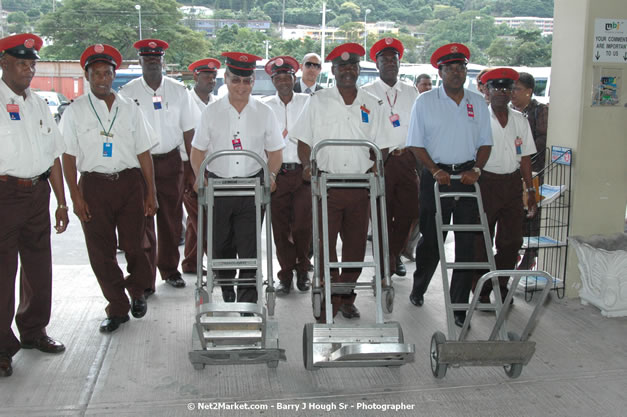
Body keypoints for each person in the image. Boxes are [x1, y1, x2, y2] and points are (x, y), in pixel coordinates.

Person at [60, 44, 158, 333]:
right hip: (93, 186)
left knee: (135, 245)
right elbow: (67, 156)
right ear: (87, 77)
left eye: (107, 73)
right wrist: (75, 197)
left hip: (129, 183)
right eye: (96, 74)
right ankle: (117, 306)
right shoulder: (75, 110)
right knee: (100, 252)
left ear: (114, 75)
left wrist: (150, 191)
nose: (102, 79)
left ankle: (137, 290)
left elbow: (144, 153)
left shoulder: (130, 109)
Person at [291, 43, 391, 322]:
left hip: (360, 187)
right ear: (333, 71)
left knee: (356, 249)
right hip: (327, 185)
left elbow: (382, 145)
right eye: (342, 67)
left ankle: (346, 297)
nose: (348, 71)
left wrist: (375, 168)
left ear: (359, 70)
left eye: (353, 66)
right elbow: (303, 140)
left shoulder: (372, 103)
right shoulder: (318, 101)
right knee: (324, 245)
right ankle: (330, 297)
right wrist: (307, 166)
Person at [406, 43, 492, 328]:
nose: (456, 73)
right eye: (450, 68)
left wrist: (477, 169)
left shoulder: (477, 102)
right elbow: (416, 143)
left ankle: (458, 304)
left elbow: (485, 143)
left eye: (461, 68)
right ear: (440, 72)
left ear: (466, 72)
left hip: (467, 177)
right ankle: (419, 288)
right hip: (436, 177)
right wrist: (434, 169)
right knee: (431, 239)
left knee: (466, 242)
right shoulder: (426, 101)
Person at [190, 52, 284, 304]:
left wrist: (271, 175)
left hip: (251, 188)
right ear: (226, 80)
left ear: (253, 81)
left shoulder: (264, 112)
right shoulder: (211, 112)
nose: (241, 87)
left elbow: (275, 152)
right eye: (236, 81)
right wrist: (202, 178)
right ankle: (226, 282)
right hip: (218, 188)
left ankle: (248, 300)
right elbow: (197, 151)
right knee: (221, 244)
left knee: (249, 247)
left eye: (247, 81)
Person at [0, 33, 69, 377]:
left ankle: (33, 330)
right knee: (2, 273)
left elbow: (53, 155)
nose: (28, 70)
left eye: (31, 64)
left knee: (39, 267)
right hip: (4, 194)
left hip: (37, 192)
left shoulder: (40, 104)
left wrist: (61, 201)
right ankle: (1, 347)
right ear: (4, 63)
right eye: (21, 63)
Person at [119, 39, 198, 294]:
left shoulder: (178, 90)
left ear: (163, 60)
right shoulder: (128, 93)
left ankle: (170, 270)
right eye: (147, 57)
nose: (152, 60)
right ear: (140, 60)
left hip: (171, 161)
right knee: (142, 223)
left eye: (156, 57)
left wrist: (192, 169)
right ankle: (145, 280)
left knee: (171, 221)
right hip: (141, 164)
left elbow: (189, 131)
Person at [474, 68, 537, 304]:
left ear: (512, 92)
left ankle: (500, 285)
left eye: (506, 88)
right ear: (487, 92)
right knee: (482, 241)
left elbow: (526, 157)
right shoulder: (479, 118)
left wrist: (530, 190)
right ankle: (480, 288)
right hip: (486, 183)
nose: (501, 93)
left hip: (511, 185)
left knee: (512, 241)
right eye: (496, 88)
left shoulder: (520, 120)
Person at [363, 37, 419, 278]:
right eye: (384, 60)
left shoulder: (411, 91)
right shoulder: (366, 92)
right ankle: (384, 267)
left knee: (408, 212)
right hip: (379, 161)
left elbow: (418, 126)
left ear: (399, 63)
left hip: (406, 159)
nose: (390, 64)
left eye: (393, 60)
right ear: (376, 65)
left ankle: (393, 254)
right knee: (381, 216)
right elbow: (363, 127)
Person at [262, 55, 312, 295]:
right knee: (280, 229)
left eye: (287, 77)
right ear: (273, 81)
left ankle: (303, 270)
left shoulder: (308, 102)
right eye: (278, 77)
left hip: (302, 174)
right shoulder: (264, 106)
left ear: (294, 78)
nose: (283, 81)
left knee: (303, 226)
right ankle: (285, 275)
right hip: (277, 176)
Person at [180, 58, 221, 276]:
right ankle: (215, 262)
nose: (211, 80)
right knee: (201, 216)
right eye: (206, 76)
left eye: (214, 76)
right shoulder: (185, 101)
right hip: (190, 165)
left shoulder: (216, 103)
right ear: (195, 76)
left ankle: (190, 262)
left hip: (212, 165)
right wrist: (195, 173)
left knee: (198, 217)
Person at [511, 71, 549, 270]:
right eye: (512, 89)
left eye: (517, 89)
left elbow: (541, 142)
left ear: (529, 92)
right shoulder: (508, 111)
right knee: (515, 214)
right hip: (511, 171)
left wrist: (523, 150)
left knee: (531, 213)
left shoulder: (539, 111)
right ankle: (514, 251)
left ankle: (530, 254)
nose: (512, 93)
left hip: (533, 171)